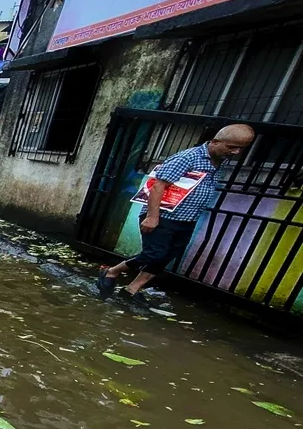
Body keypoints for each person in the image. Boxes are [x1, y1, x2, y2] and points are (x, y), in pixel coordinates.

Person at [97, 124, 255, 302]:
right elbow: (158, 185)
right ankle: (111, 271)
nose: (235, 152)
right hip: (163, 217)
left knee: (166, 256)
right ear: (215, 141)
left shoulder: (220, 161)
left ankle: (131, 290)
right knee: (154, 254)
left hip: (188, 219)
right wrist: (151, 216)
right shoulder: (188, 158)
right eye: (231, 147)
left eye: (240, 149)